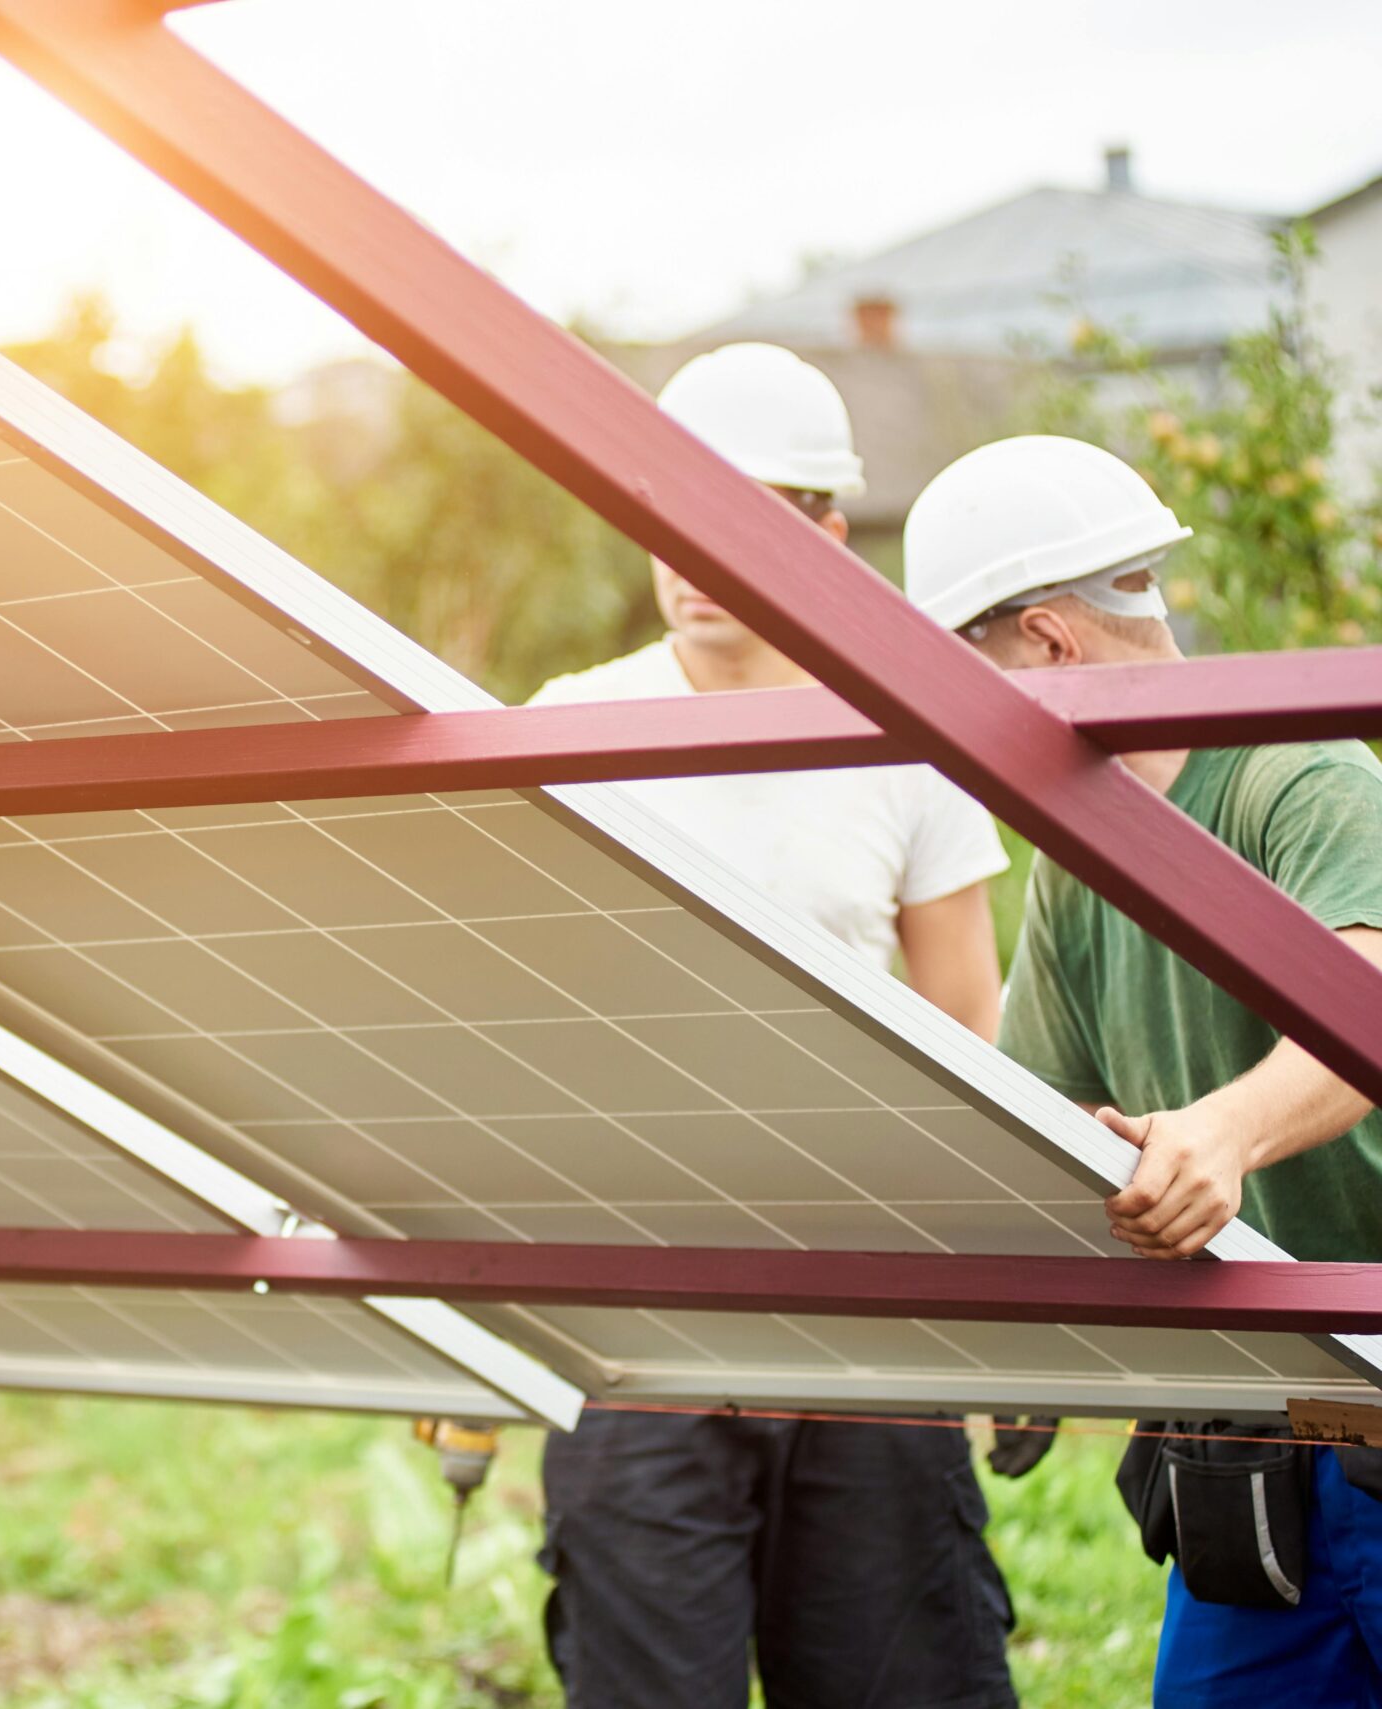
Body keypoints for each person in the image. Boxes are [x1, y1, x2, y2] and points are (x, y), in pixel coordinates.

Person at [532, 343, 1019, 1709]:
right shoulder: (567, 731)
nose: (690, 558)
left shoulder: (907, 737)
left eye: (738, 516)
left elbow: (964, 1032)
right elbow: (507, 1023)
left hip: (866, 1317)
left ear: (823, 529)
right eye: (668, 518)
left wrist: (983, 1310)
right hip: (639, 1315)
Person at [906, 433, 1382, 1707]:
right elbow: (1044, 1104)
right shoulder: (1076, 863)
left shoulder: (1304, 774)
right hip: (1248, 1435)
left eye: (967, 677)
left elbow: (1372, 999)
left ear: (1052, 641)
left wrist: (1221, 1133)